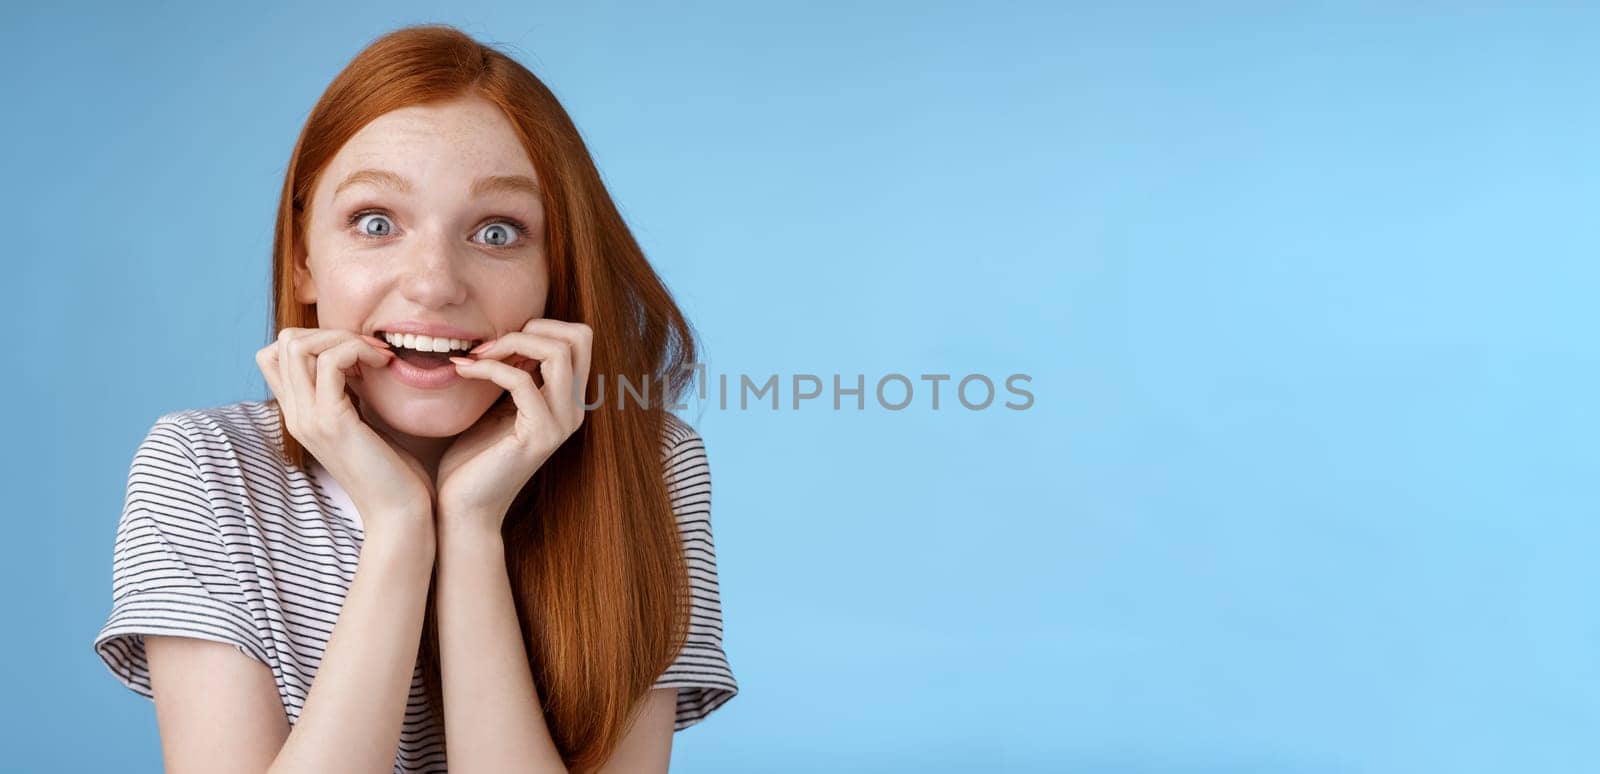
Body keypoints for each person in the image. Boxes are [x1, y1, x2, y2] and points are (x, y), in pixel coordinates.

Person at [91, 23, 737, 774]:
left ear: (554, 272)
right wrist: (399, 528)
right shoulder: (204, 469)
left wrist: (470, 528)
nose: (434, 283)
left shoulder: (648, 466)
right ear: (304, 258)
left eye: (498, 231)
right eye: (375, 223)